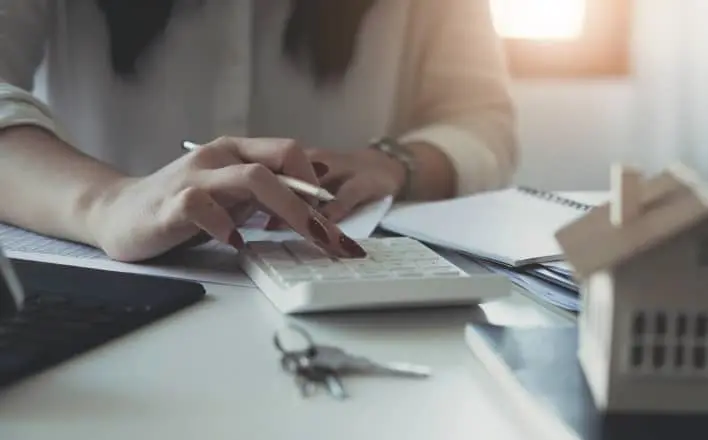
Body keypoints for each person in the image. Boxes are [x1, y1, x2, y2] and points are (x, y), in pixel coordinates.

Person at [0, 0, 518, 261]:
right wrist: (107, 203)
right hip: (112, 278)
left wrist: (397, 162)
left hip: (343, 288)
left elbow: (484, 123)